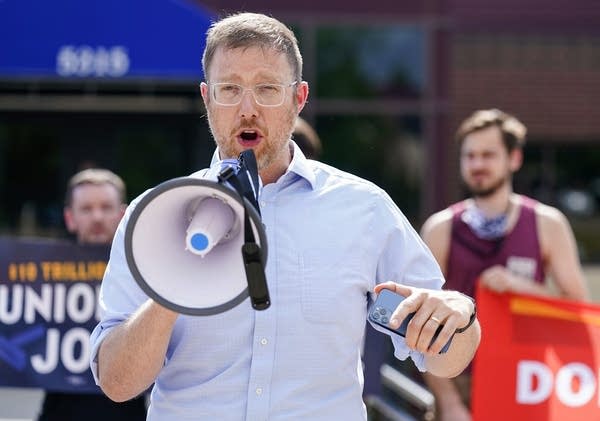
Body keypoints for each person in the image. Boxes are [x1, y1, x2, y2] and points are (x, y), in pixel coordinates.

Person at [89, 12, 480, 420]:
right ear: (207, 98)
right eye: (230, 89)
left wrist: (460, 313)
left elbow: (446, 357)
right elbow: (117, 384)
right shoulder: (155, 215)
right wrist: (173, 290)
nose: (247, 108)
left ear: (299, 98)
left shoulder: (364, 209)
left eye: (267, 89)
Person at [420, 108, 589, 421]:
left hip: (527, 379)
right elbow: (420, 323)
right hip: (460, 382)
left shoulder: (546, 223)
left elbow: (577, 311)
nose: (478, 164)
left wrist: (523, 287)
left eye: (488, 155)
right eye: (470, 156)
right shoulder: (441, 228)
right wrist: (450, 404)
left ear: (514, 159)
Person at [38, 168, 147, 420]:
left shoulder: (146, 272)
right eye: (86, 209)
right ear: (69, 217)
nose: (97, 216)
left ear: (122, 214)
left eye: (106, 207)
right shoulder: (36, 276)